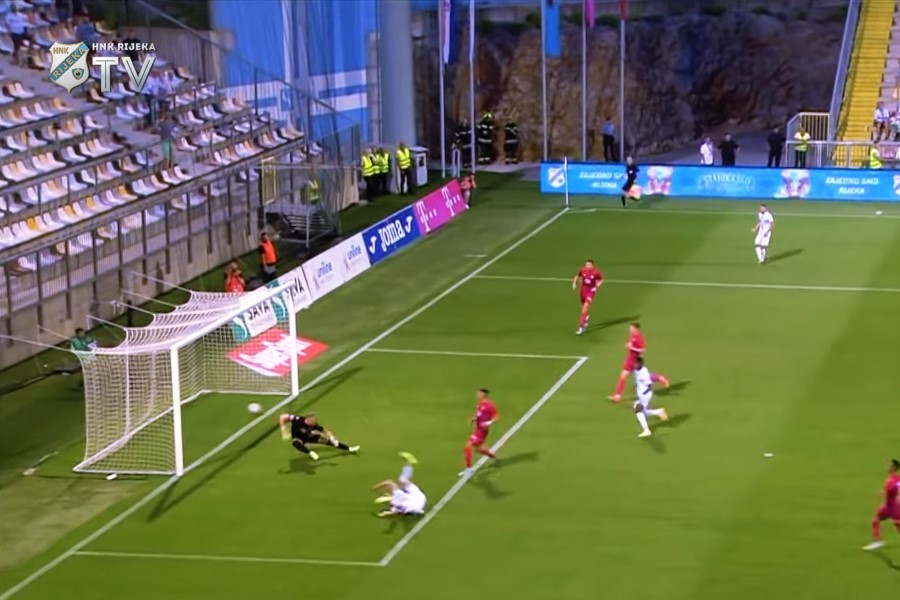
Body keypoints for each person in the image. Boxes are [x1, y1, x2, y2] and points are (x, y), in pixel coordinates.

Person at [610, 323, 669, 402]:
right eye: (630, 328)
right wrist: (629, 344)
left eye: (631, 328)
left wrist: (632, 348)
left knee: (643, 377)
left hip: (635, 361)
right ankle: (617, 396)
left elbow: (643, 350)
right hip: (630, 360)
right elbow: (631, 343)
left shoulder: (639, 338)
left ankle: (660, 378)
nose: (630, 330)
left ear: (635, 329)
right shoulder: (633, 335)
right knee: (623, 376)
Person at [278, 413, 360, 461]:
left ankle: (349, 449)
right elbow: (283, 416)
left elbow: (325, 430)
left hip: (310, 436)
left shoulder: (314, 425)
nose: (314, 423)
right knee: (296, 444)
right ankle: (311, 453)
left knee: (330, 442)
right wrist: (283, 430)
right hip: (298, 437)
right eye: (313, 421)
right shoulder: (298, 419)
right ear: (308, 419)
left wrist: (332, 438)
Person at [373, 452, 426, 517]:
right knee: (402, 480)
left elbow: (395, 512)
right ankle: (408, 464)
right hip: (417, 498)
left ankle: (409, 464)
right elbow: (388, 482)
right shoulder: (399, 499)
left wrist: (383, 514)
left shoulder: (399, 500)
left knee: (403, 481)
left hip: (418, 498)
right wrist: (376, 488)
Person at [460, 389, 499, 476]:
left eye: (479, 393)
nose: (477, 394)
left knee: (467, 447)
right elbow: (479, 414)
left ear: (484, 395)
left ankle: (469, 469)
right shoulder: (480, 403)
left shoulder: (490, 405)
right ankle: (493, 456)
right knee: (479, 450)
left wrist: (488, 423)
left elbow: (497, 417)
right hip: (478, 429)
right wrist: (474, 419)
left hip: (481, 431)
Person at [863, 459, 900, 550]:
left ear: (894, 467)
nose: (887, 467)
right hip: (890, 506)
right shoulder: (897, 478)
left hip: (893, 507)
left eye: (889, 465)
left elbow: (891, 490)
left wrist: (884, 493)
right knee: (876, 519)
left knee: (897, 525)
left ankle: (877, 542)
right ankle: (877, 541)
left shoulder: (891, 480)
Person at [632, 357, 670, 438]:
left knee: (638, 411)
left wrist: (661, 379)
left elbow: (651, 380)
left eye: (636, 363)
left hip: (645, 395)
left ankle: (646, 430)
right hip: (641, 395)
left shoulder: (644, 373)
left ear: (640, 364)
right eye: (634, 363)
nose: (634, 365)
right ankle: (659, 412)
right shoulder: (636, 370)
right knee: (642, 412)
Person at [572, 259, 603, 336]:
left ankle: (581, 327)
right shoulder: (583, 270)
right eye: (586, 265)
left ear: (592, 265)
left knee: (585, 307)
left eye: (589, 265)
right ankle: (586, 317)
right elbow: (577, 276)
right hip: (583, 290)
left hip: (590, 292)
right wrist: (574, 283)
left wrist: (596, 286)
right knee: (583, 306)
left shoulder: (596, 272)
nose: (587, 266)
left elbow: (601, 280)